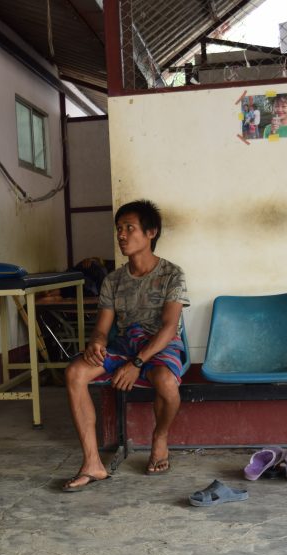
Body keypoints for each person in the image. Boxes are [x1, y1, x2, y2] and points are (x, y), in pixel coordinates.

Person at [62, 200, 190, 491]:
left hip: (160, 343)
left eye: (129, 228)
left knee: (167, 383)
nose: (121, 235)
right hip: (125, 343)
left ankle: (159, 437)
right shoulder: (113, 280)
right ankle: (93, 463)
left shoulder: (172, 274)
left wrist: (137, 364)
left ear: (151, 232)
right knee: (75, 373)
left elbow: (170, 327)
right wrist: (96, 342)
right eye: (119, 229)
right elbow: (103, 328)